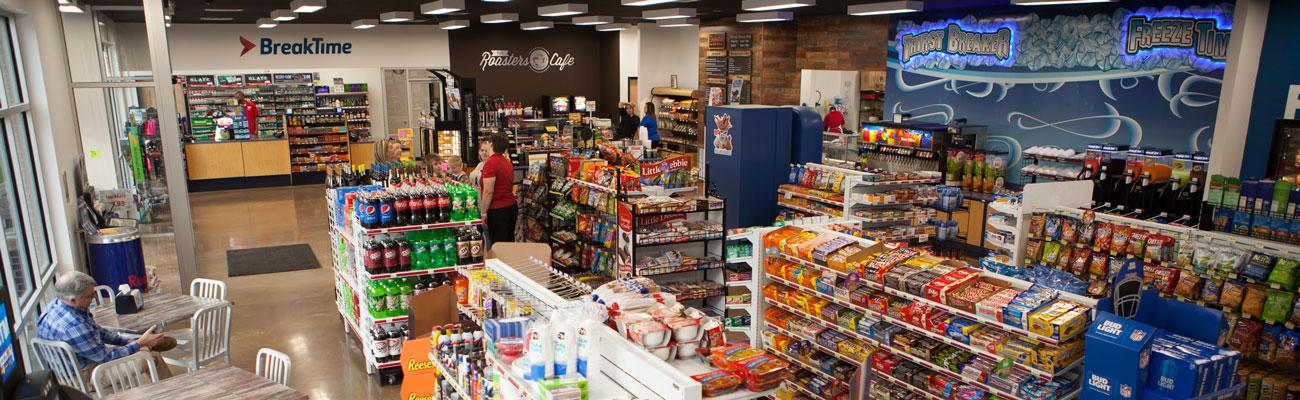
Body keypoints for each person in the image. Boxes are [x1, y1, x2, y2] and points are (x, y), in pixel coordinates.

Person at [36, 271, 173, 380]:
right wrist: (140, 344)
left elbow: (96, 330)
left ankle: (145, 345)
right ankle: (171, 395)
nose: (95, 298)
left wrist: (128, 341)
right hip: (85, 376)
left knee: (141, 348)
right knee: (152, 357)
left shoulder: (57, 304)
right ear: (73, 300)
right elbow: (106, 357)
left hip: (75, 365)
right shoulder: (73, 326)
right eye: (90, 296)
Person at [479, 134, 517, 245]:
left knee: (498, 245)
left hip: (497, 210)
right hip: (511, 206)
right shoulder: (506, 162)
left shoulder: (491, 163)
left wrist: (483, 213)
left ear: (491, 144)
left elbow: (488, 191)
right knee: (508, 243)